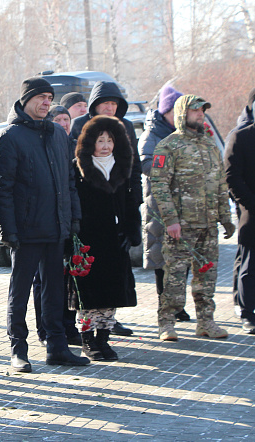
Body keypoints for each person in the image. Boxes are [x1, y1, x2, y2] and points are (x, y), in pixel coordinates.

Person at [0, 77, 89, 372]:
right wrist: (8, 230)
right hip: (25, 230)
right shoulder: (10, 136)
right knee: (19, 291)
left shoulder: (58, 135)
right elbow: (2, 188)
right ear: (25, 101)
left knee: (54, 291)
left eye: (49, 97)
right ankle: (17, 349)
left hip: (56, 226)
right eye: (41, 97)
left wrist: (73, 218)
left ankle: (57, 347)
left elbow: (69, 181)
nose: (46, 102)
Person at [150, 94, 235, 341]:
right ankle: (166, 323)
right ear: (182, 114)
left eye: (202, 110)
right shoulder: (168, 146)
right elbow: (159, 186)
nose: (200, 114)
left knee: (207, 278)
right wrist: (170, 220)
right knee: (175, 278)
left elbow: (220, 183)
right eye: (195, 110)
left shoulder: (209, 145)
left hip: (208, 225)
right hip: (181, 226)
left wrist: (225, 217)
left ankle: (206, 322)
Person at [69, 80, 142, 337]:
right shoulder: (80, 126)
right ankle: (88, 330)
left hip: (118, 202)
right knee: (88, 276)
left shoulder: (126, 127)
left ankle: (108, 324)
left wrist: (134, 208)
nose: (109, 108)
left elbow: (134, 169)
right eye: (104, 103)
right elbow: (74, 171)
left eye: (114, 104)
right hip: (89, 208)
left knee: (115, 272)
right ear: (94, 105)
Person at [139, 85, 192, 322]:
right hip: (159, 206)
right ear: (167, 111)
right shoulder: (152, 134)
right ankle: (165, 305)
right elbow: (146, 164)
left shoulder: (186, 133)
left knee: (183, 258)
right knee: (163, 258)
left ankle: (178, 304)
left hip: (185, 205)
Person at [224, 91, 255, 334]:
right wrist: (249, 203)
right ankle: (247, 313)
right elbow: (232, 177)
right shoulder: (241, 137)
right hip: (251, 211)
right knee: (249, 265)